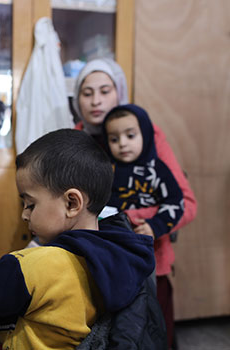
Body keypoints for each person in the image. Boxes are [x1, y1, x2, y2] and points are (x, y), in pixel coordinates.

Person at [0, 129, 156, 350]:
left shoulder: (29, 268)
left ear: (72, 202)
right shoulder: (124, 256)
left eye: (30, 204)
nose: (24, 215)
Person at [73, 58, 197, 347]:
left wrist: (129, 219)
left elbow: (185, 202)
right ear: (76, 99)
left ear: (120, 92)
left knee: (152, 331)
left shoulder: (145, 133)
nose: (96, 101)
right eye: (87, 93)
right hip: (96, 257)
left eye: (105, 91)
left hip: (149, 255)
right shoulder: (74, 139)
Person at [103, 104, 185, 239]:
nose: (122, 143)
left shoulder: (158, 170)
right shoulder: (106, 169)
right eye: (114, 139)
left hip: (153, 246)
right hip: (114, 242)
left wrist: (156, 226)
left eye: (130, 135)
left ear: (145, 134)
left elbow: (176, 202)